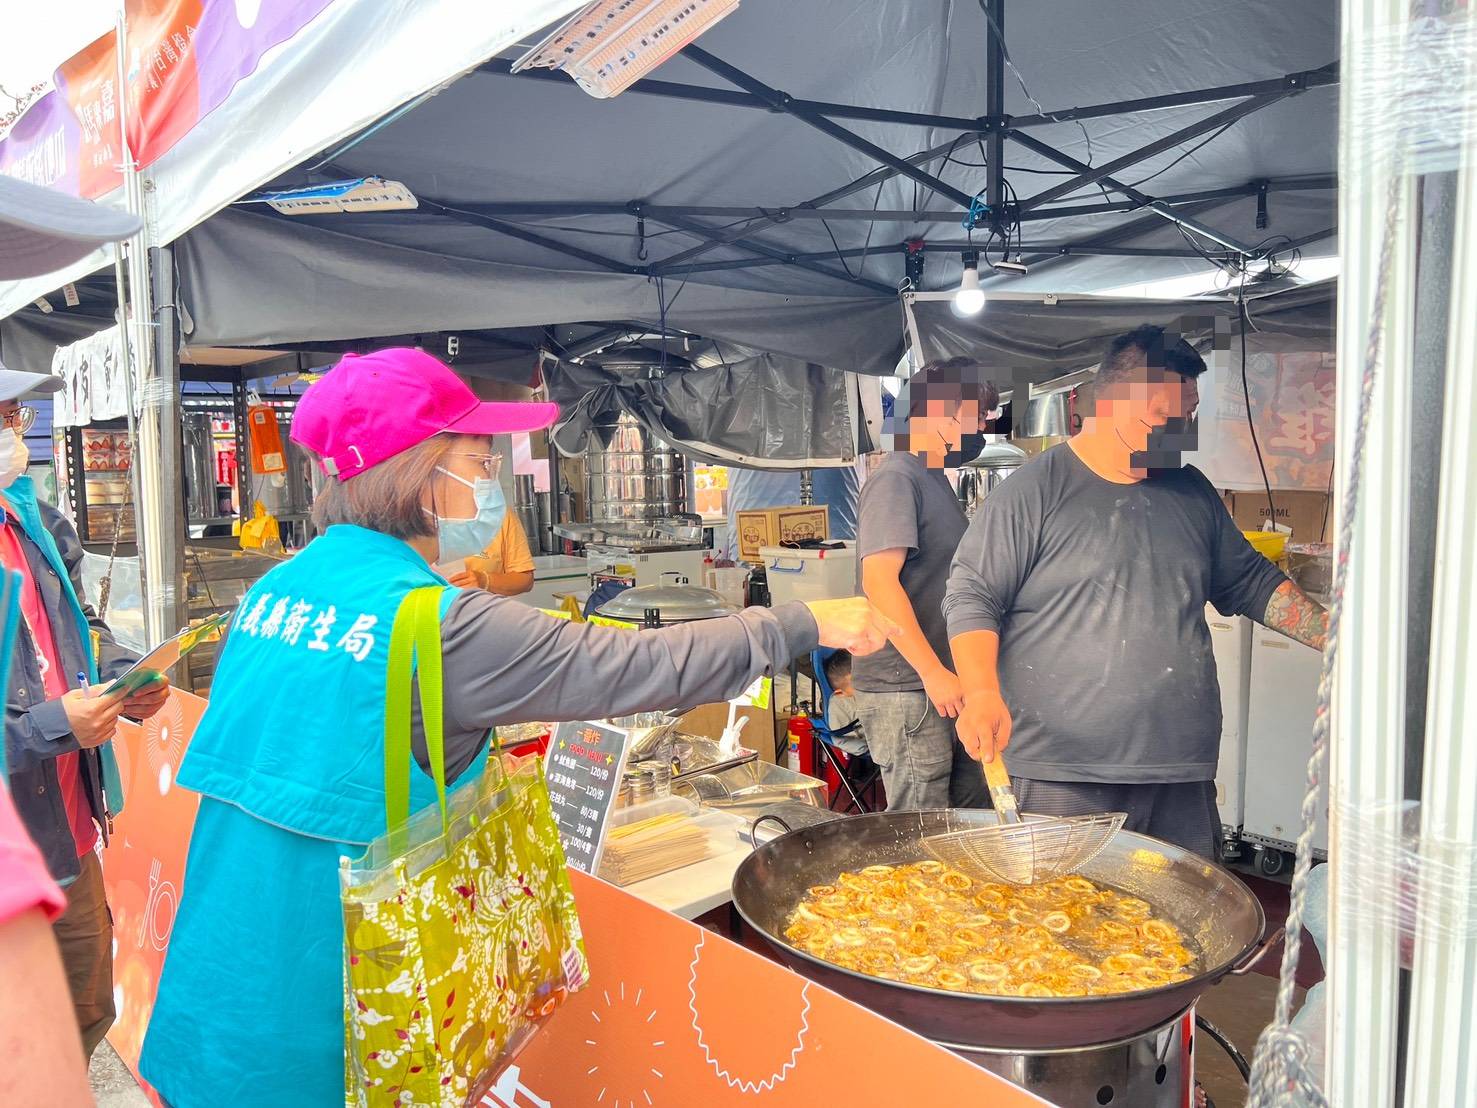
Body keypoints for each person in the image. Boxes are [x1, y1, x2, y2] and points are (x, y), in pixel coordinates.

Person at [138, 347, 893, 1107]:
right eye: (479, 460)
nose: (489, 480)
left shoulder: (274, 592)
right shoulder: (436, 625)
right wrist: (800, 620)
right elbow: (636, 666)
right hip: (340, 1037)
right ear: (420, 472)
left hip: (213, 1000)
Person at [945, 324, 1328, 858]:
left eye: (1187, 417)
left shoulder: (1191, 491)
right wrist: (982, 691)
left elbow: (1251, 582)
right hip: (1064, 773)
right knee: (1064, 911)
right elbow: (972, 596)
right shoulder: (1033, 492)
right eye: (1162, 419)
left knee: (1187, 911)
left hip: (1179, 772)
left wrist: (1337, 640)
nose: (1178, 432)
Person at [0, 168, 152, 1105]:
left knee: (85, 1004)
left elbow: (79, 624)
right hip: (17, 828)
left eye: (16, 415)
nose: (15, 432)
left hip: (66, 828)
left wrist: (129, 673)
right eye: (2, 416)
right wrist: (53, 724)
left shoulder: (31, 517)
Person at [850, 356, 997, 811]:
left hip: (941, 683)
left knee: (962, 823)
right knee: (920, 830)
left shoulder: (933, 476)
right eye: (977, 414)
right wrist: (932, 672)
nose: (982, 427)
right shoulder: (897, 476)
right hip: (907, 686)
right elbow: (879, 582)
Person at [447, 507, 536, 596]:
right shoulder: (439, 518)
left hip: (483, 603)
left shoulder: (501, 514)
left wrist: (485, 581)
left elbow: (525, 580)